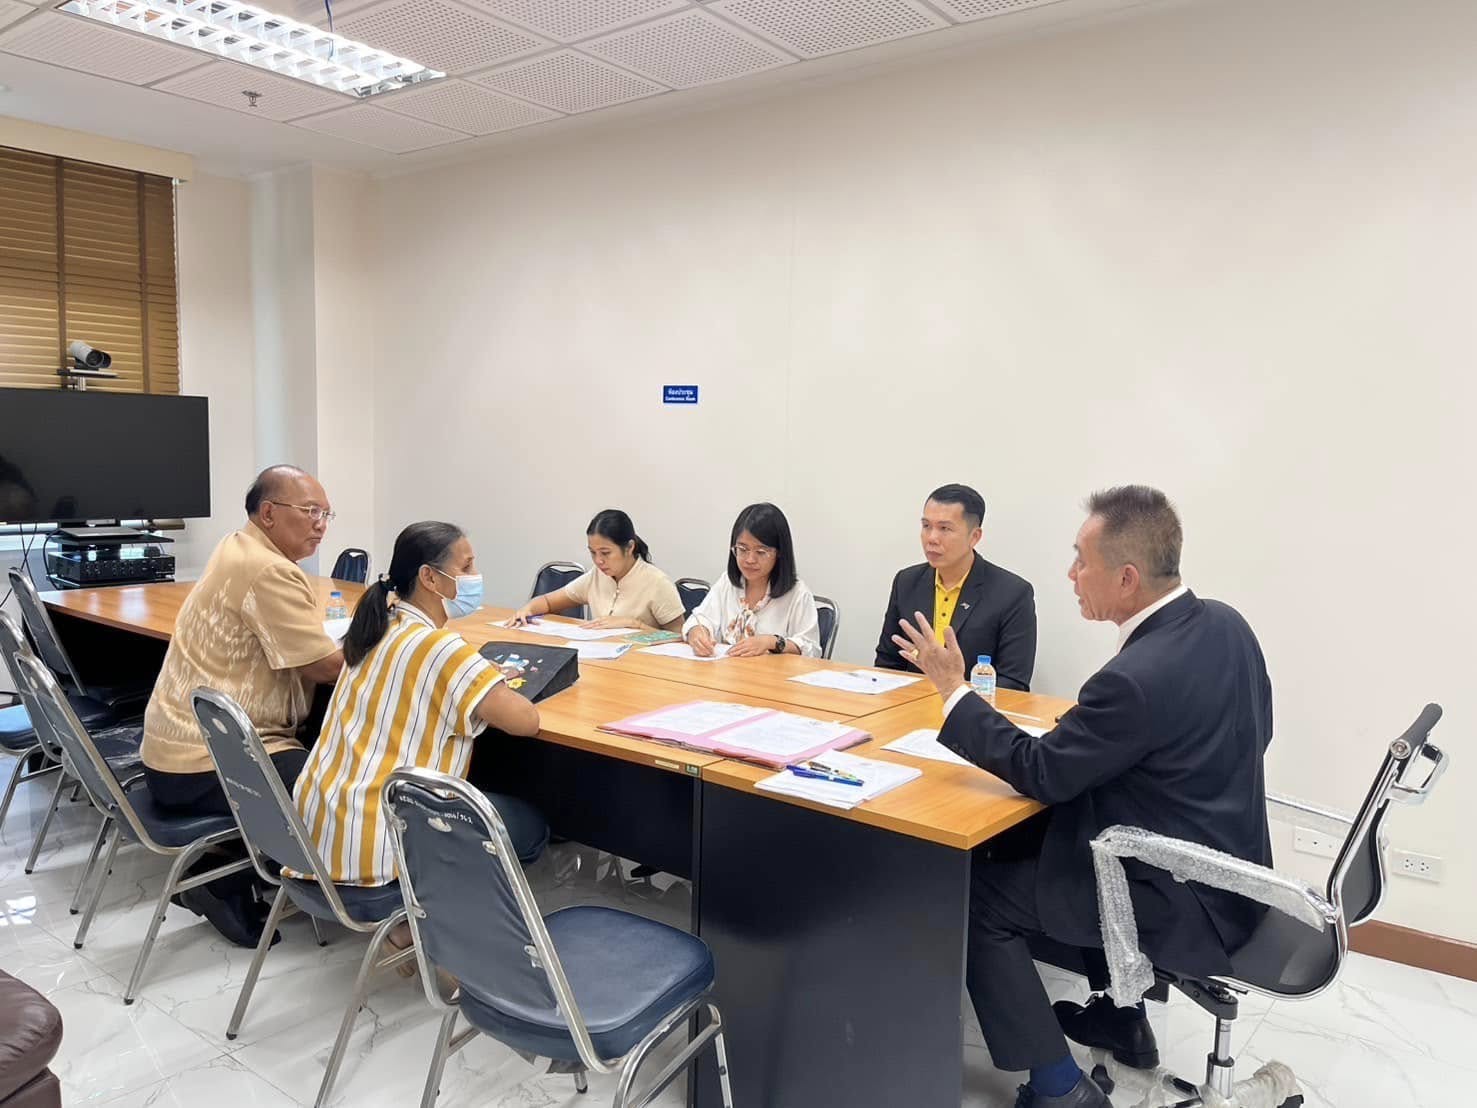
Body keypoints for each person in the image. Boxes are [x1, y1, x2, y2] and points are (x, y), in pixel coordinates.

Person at [893, 486, 1273, 1108]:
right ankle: (1124, 1020)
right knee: (1041, 836)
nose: (1071, 575)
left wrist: (954, 691)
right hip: (1229, 868)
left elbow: (1041, 771)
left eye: (1080, 561)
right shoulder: (1225, 623)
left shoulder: (1133, 678)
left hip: (1175, 895)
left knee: (976, 900)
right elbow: (1251, 731)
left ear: (1126, 578)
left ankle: (1059, 1087)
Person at [293, 521, 546, 967]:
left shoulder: (374, 628)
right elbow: (526, 721)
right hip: (376, 846)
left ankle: (415, 924)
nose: (473, 576)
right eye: (466, 566)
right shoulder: (441, 648)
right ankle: (432, 924)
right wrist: (491, 683)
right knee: (532, 826)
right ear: (430, 578)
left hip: (316, 835)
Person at [141, 465, 344, 945]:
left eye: (326, 514)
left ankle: (229, 868)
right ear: (269, 513)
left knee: (322, 744)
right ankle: (229, 881)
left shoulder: (238, 545)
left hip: (175, 746)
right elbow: (326, 668)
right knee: (335, 790)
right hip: (204, 761)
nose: (320, 524)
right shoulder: (269, 568)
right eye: (310, 511)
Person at [874, 483, 1037, 690]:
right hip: (910, 708)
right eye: (926, 526)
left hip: (973, 713)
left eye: (945, 529)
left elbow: (1014, 684)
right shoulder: (906, 582)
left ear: (974, 537)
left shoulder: (1012, 593)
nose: (932, 538)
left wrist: (956, 691)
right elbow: (887, 664)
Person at [509, 509, 684, 633]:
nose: (598, 560)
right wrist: (528, 609)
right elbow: (548, 601)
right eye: (593, 552)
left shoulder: (657, 582)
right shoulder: (597, 576)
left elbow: (679, 639)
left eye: (606, 553)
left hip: (644, 671)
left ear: (629, 547)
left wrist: (635, 625)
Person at [683, 503, 822, 658]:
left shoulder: (797, 594)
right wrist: (697, 632)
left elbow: (811, 649)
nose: (750, 559)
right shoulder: (728, 583)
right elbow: (701, 618)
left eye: (761, 552)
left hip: (770, 678)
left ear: (780, 553)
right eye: (742, 549)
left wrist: (772, 642)